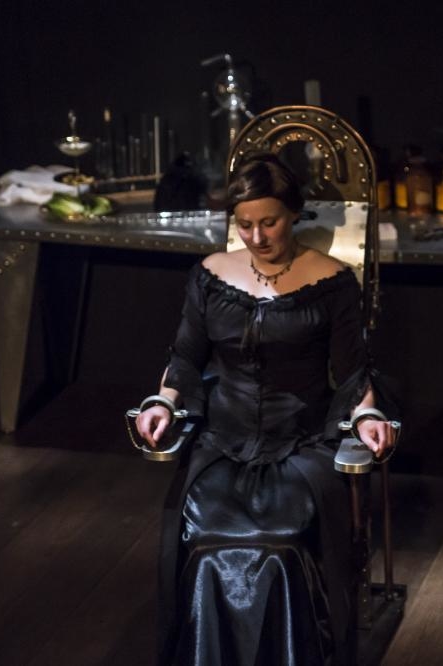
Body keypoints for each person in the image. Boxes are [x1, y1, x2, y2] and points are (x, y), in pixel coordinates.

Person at [135, 152, 395, 665]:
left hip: (299, 447)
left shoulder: (332, 282)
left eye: (269, 222)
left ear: (294, 213)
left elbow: (352, 374)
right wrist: (162, 402)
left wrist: (367, 416)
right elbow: (185, 357)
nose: (256, 237)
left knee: (282, 546)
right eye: (245, 224)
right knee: (205, 539)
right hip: (222, 446)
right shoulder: (211, 276)